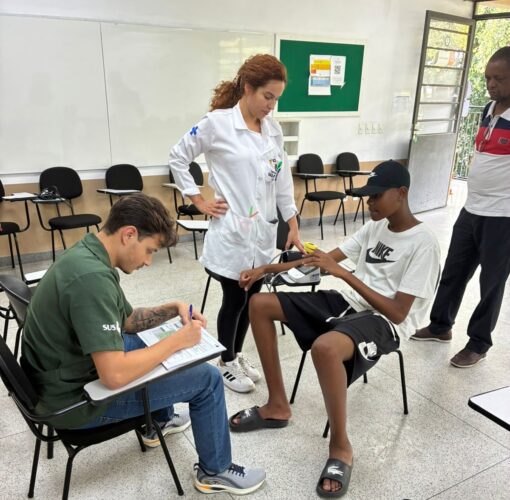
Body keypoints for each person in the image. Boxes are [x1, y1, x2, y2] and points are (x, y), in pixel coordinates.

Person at [21, 194, 265, 495]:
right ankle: (215, 471)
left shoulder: (88, 253)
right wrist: (176, 341)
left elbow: (125, 321)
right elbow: (114, 375)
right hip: (74, 403)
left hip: (64, 376)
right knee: (208, 379)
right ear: (129, 234)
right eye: (150, 250)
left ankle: (159, 420)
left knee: (143, 340)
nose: (148, 262)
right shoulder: (92, 279)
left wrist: (172, 308)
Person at [228, 161, 440, 498]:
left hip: (384, 321)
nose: (369, 203)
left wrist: (344, 275)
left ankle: (341, 447)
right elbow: (323, 260)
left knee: (325, 348)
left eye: (376, 196)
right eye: (367, 196)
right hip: (350, 302)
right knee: (260, 304)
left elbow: (399, 313)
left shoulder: (424, 243)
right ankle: (277, 406)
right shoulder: (374, 228)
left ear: (401, 194)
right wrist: (266, 269)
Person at [169, 54, 302, 393]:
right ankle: (225, 362)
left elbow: (282, 180)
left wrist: (292, 223)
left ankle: (236, 354)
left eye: (276, 99)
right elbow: (178, 157)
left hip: (262, 234)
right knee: (235, 298)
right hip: (232, 234)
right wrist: (198, 200)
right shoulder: (217, 124)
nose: (271, 105)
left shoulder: (272, 130)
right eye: (267, 96)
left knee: (253, 297)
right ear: (248, 88)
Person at [412, 46, 510, 368]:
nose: (491, 84)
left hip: (502, 216)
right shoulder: (488, 109)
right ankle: (440, 325)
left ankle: (479, 343)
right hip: (472, 209)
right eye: (488, 78)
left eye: (499, 79)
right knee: (454, 271)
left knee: (491, 284)